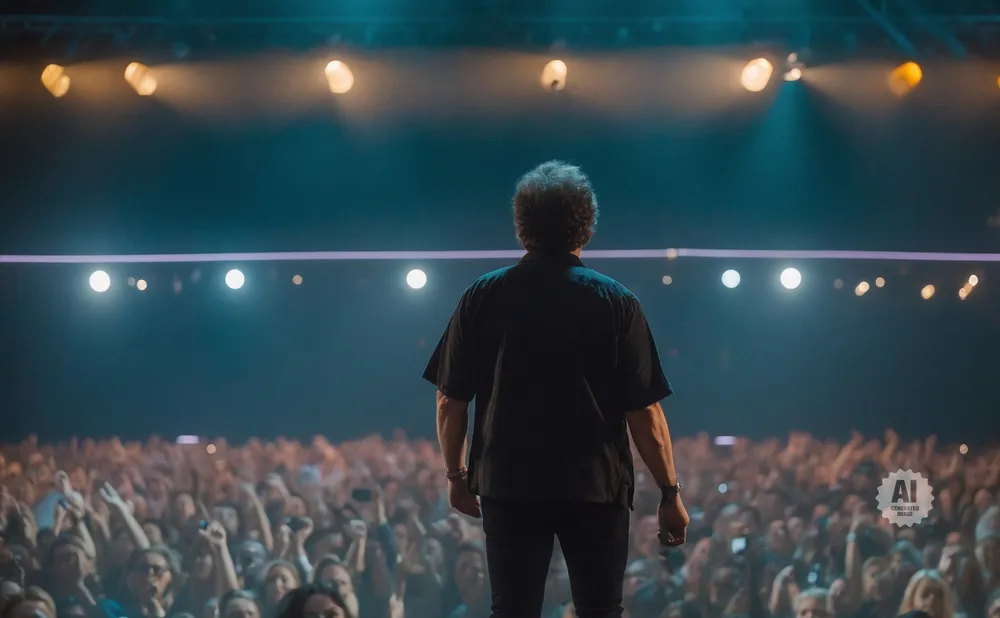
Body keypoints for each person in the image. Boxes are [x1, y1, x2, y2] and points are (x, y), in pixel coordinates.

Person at [422, 160, 690, 618]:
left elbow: (450, 399)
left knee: (512, 610)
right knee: (600, 609)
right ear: (585, 227)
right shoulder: (617, 302)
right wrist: (669, 492)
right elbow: (643, 412)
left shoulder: (483, 295)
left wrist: (456, 475)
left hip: (509, 482)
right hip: (596, 486)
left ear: (521, 226)